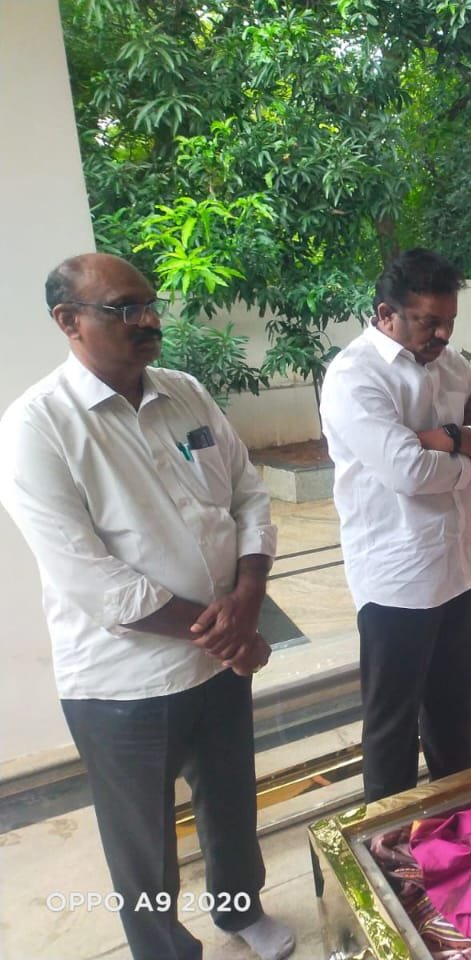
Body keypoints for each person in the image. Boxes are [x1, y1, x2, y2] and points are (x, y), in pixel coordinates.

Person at [0, 253, 294, 960]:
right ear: (67, 322)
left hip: (220, 657)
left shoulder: (185, 393)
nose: (148, 320)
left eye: (150, 304)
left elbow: (249, 496)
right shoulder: (37, 427)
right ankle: (162, 948)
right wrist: (227, 634)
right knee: (144, 842)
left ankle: (238, 910)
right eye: (123, 309)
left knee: (229, 802)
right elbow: (91, 579)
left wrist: (248, 598)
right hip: (124, 680)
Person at [320, 248, 471, 803]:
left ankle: (455, 828)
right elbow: (408, 473)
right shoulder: (354, 377)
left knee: (452, 711)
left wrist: (450, 439)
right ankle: (389, 846)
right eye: (428, 321)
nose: (441, 334)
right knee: (392, 724)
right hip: (397, 577)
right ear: (386, 314)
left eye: (449, 321)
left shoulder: (451, 364)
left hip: (456, 564)